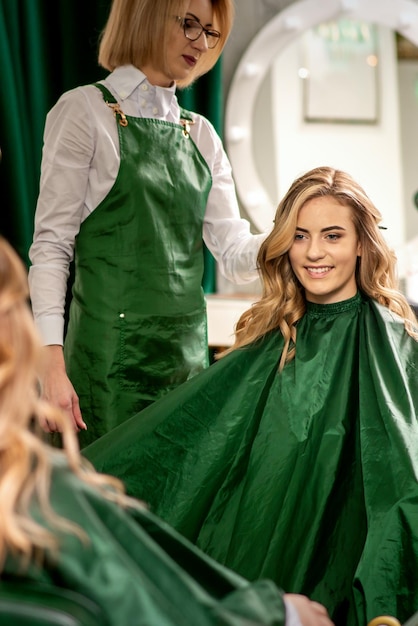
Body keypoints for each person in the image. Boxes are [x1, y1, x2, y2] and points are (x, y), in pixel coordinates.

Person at [83, 166, 418, 626]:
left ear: (362, 243)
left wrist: (383, 598)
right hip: (255, 541)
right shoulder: (269, 335)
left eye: (332, 236)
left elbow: (398, 477)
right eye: (299, 236)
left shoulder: (390, 339)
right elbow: (196, 439)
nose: (313, 252)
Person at [0, 235, 334, 626]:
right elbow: (147, 612)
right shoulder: (40, 490)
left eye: (331, 235)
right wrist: (280, 613)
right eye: (19, 307)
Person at [28, 0, 265, 447]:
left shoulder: (201, 134)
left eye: (210, 33)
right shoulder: (84, 111)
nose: (200, 42)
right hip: (105, 367)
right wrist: (51, 367)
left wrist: (298, 231)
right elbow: (51, 248)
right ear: (147, 15)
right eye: (189, 24)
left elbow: (233, 254)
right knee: (105, 508)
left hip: (184, 366)